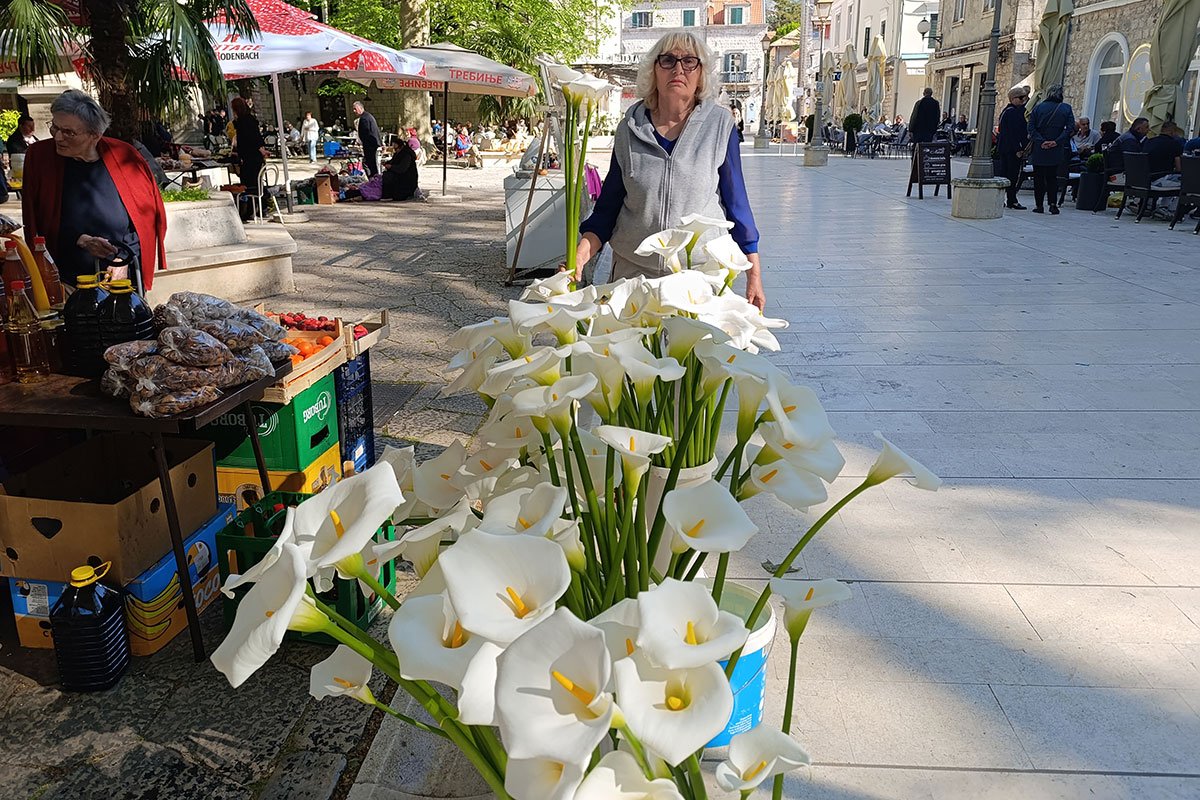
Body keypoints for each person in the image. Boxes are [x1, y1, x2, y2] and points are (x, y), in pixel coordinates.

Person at [574, 31, 765, 309]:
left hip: (697, 276)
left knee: (690, 354)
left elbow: (737, 204)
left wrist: (754, 273)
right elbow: (608, 207)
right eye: (668, 60)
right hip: (633, 276)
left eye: (689, 61)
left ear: (701, 74)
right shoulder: (629, 129)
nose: (678, 69)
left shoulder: (719, 125)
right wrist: (580, 254)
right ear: (654, 71)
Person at [21, 89, 166, 289]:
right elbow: (36, 218)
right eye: (55, 128)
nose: (58, 138)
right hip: (65, 277)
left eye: (69, 132)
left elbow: (146, 219)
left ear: (95, 135)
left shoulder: (125, 156)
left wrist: (123, 259)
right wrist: (79, 239)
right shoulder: (40, 156)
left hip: (119, 273)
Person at [1026, 85, 1074, 214]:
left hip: (1040, 148)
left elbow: (1031, 128)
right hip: (1056, 148)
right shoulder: (1066, 108)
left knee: (1039, 177)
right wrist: (1056, 142)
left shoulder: (1038, 108)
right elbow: (1070, 129)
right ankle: (1053, 204)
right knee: (1053, 177)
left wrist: (1041, 141)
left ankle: (1039, 205)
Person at [232, 96, 269, 221]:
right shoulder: (246, 120)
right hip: (251, 156)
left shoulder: (245, 121)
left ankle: (255, 208)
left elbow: (253, 138)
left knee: (250, 184)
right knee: (253, 182)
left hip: (251, 157)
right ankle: (256, 208)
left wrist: (260, 149)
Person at [997, 86, 1031, 210]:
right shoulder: (1013, 112)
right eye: (1021, 97)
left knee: (1006, 174)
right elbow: (1013, 133)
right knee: (1011, 175)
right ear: (1013, 98)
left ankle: (1005, 200)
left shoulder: (1008, 111)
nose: (1024, 100)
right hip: (1011, 149)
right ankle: (1011, 200)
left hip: (1006, 147)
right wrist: (1018, 149)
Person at [354, 101, 381, 178]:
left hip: (370, 146)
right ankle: (373, 179)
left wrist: (365, 144)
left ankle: (373, 180)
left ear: (360, 108)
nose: (354, 111)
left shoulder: (364, 118)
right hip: (371, 145)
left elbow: (367, 133)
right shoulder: (367, 116)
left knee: (370, 165)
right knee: (370, 164)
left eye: (355, 109)